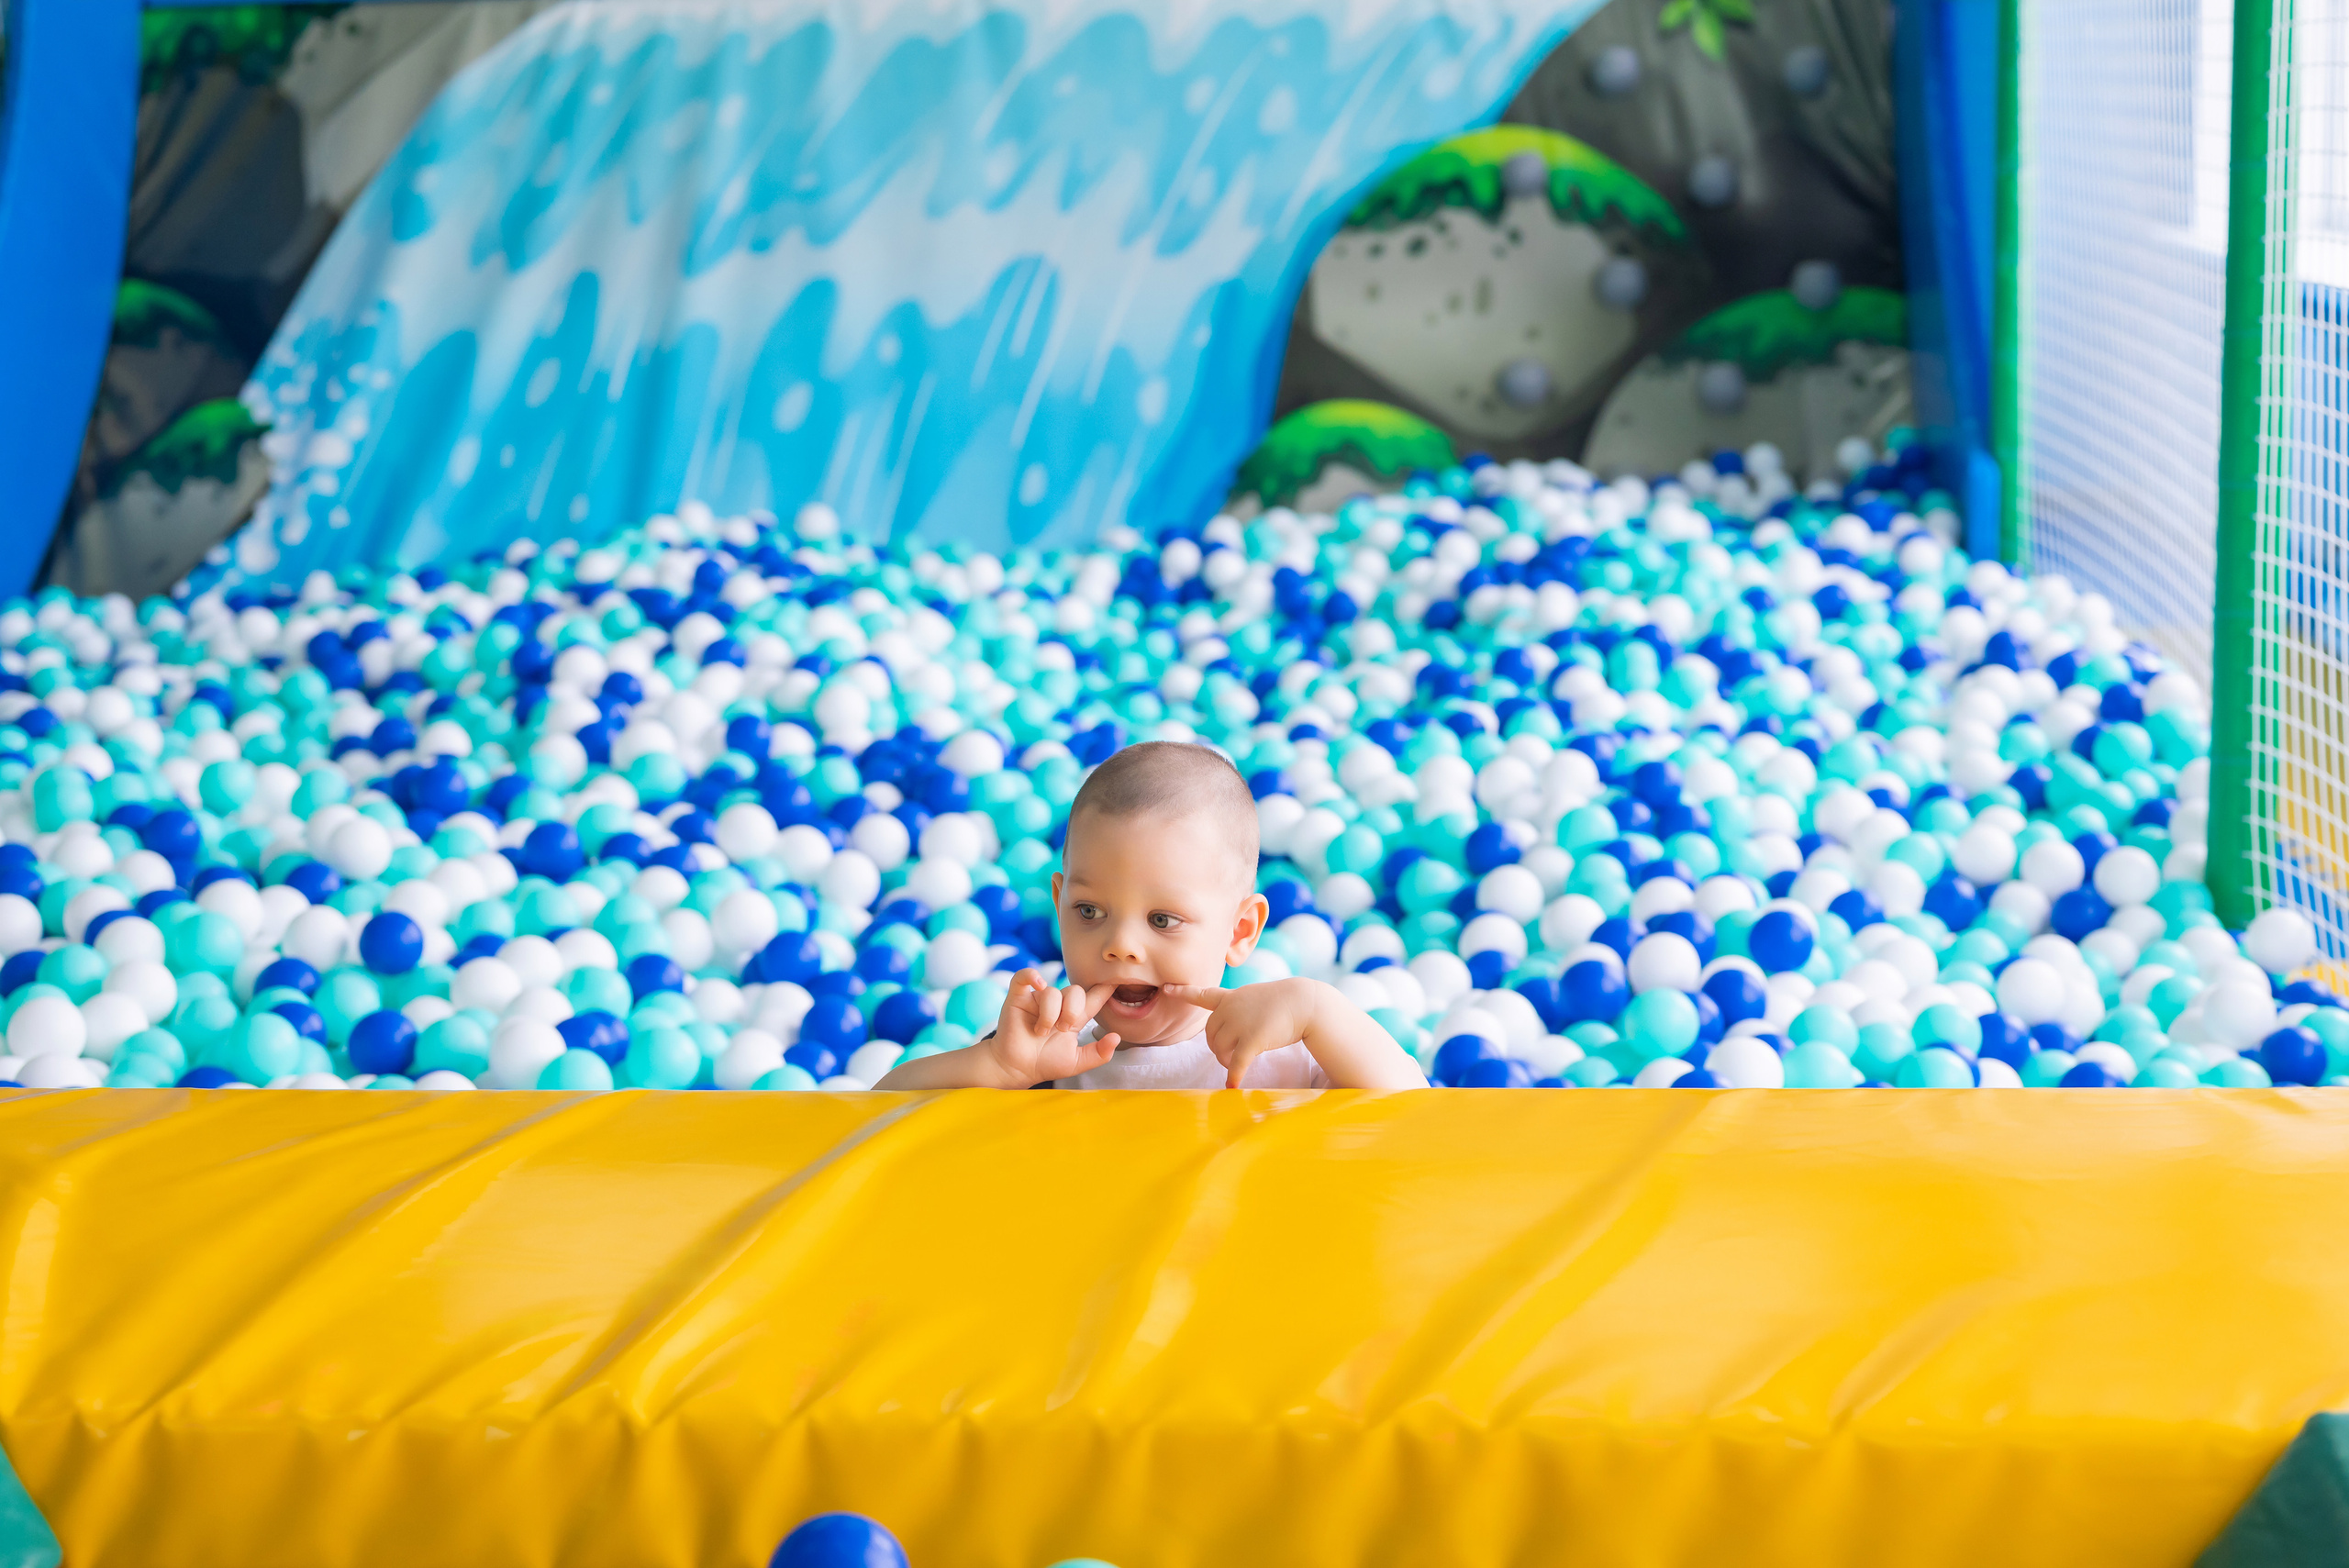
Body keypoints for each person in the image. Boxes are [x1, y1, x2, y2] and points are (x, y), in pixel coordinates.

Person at [875, 740, 1427, 1090]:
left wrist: (1318, 1009)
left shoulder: (1280, 1060)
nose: (1119, 945)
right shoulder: (1044, 1062)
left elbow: (1417, 1117)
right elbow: (877, 1112)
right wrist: (997, 1069)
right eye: (1089, 910)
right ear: (1059, 902)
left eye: (1162, 920)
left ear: (1240, 932)